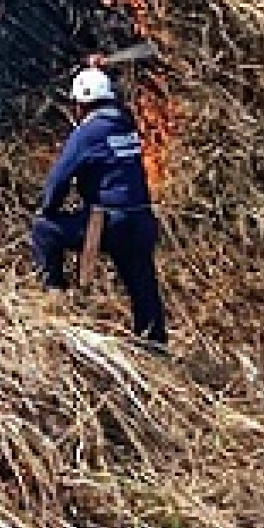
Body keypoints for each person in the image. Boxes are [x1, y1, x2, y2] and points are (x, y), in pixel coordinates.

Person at [32, 67, 167, 346]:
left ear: (81, 104)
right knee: (142, 287)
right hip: (142, 220)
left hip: (109, 222)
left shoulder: (89, 132)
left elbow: (59, 177)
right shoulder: (126, 122)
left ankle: (55, 299)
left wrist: (49, 208)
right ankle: (155, 346)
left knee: (45, 231)